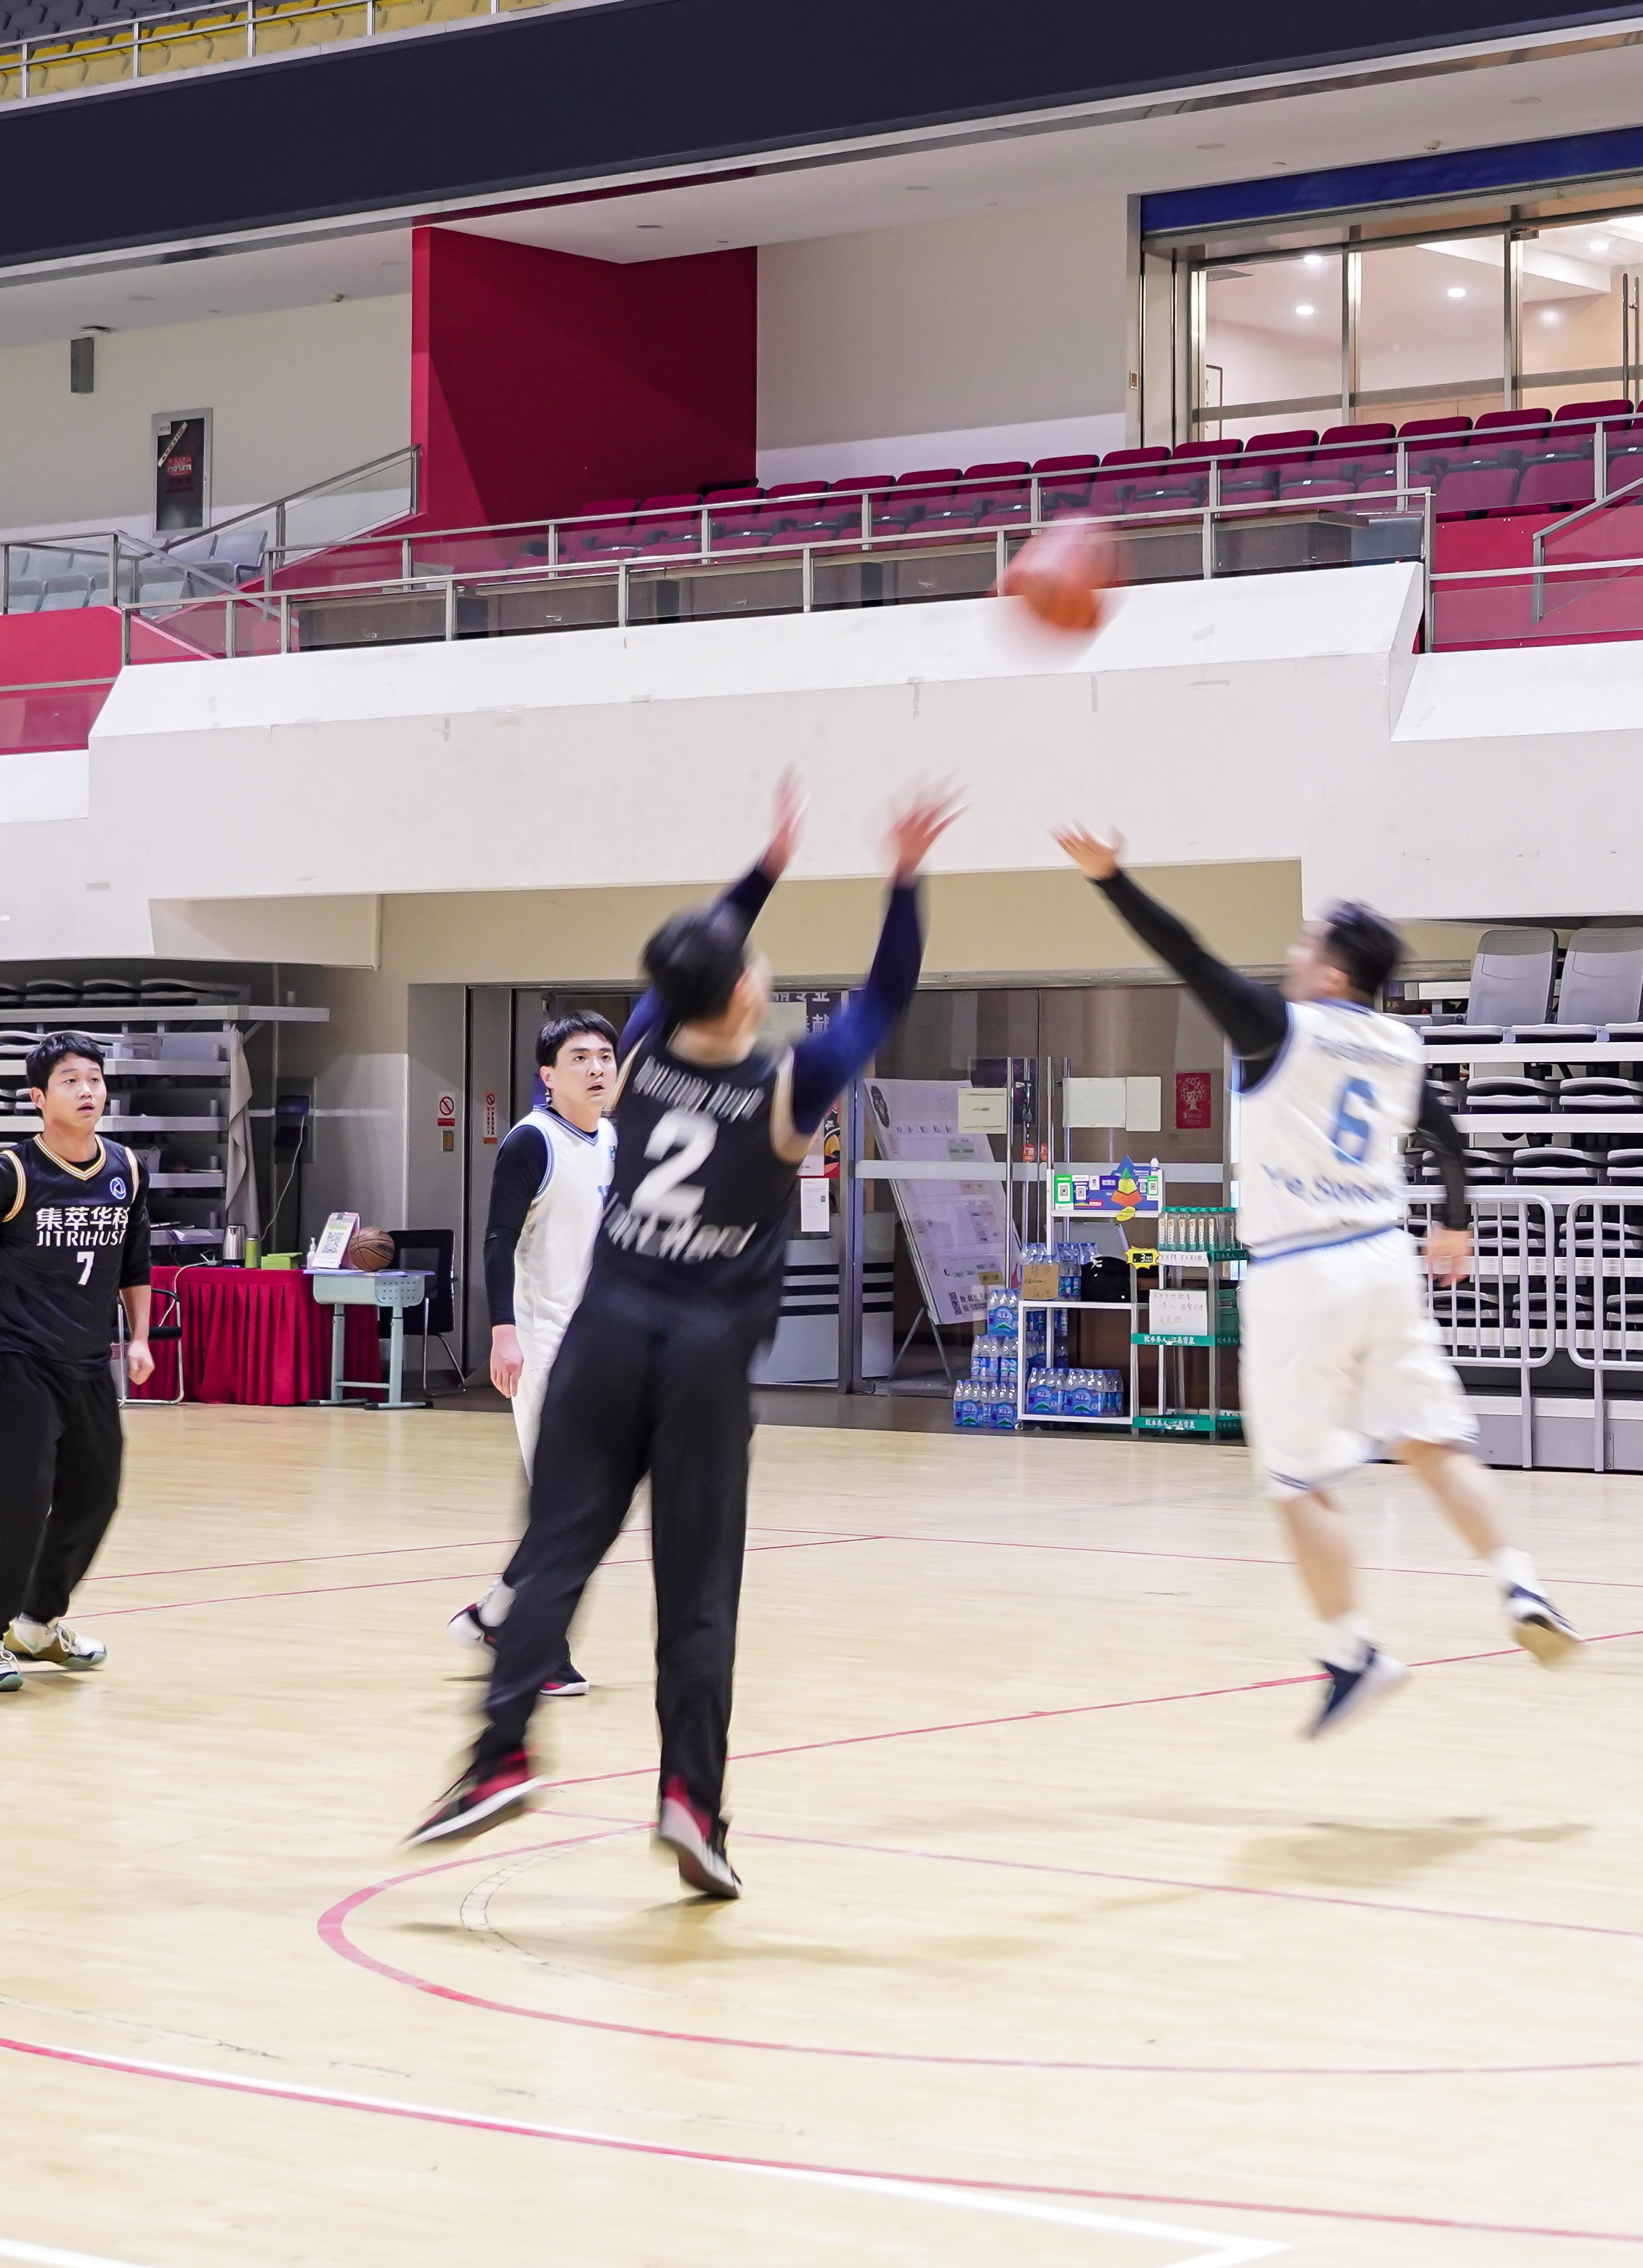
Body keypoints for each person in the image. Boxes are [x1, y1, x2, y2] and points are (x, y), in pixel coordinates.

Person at [405, 783, 957, 1898]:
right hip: (705, 1360)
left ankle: (501, 1752)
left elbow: (689, 958)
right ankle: (690, 1801)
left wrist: (763, 870)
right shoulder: (790, 1085)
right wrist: (903, 880)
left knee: (555, 1552)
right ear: (747, 990)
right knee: (697, 1591)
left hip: (605, 1337)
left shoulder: (642, 1051)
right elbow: (886, 995)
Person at [1052, 828, 1582, 1736]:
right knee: (1436, 1444)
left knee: (1298, 1482)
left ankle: (1353, 1650)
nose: (1294, 952)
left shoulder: (1283, 1028)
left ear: (1334, 973)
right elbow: (1448, 1138)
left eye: (1308, 942)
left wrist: (1112, 879)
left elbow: (1185, 951)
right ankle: (1520, 1583)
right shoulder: (1400, 1045)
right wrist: (1455, 1221)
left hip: (1301, 1273)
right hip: (1383, 1259)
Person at [0, 1033, 157, 1695]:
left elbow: (134, 1261)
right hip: (18, 1358)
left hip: (87, 1362)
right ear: (38, 1098)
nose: (87, 1090)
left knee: (95, 1496)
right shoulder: (10, 1172)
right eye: (70, 1080)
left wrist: (139, 1338)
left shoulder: (126, 1169)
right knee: (18, 1504)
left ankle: (38, 1624)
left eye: (94, 1078)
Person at [445, 1005, 621, 1700]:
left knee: (591, 1503)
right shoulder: (531, 1141)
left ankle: (495, 1615)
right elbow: (497, 1241)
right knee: (566, 1502)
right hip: (543, 1343)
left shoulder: (611, 1140)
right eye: (580, 1058)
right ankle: (538, 1647)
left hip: (602, 1345)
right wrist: (503, 1332)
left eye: (604, 1056)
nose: (596, 1068)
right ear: (548, 1075)